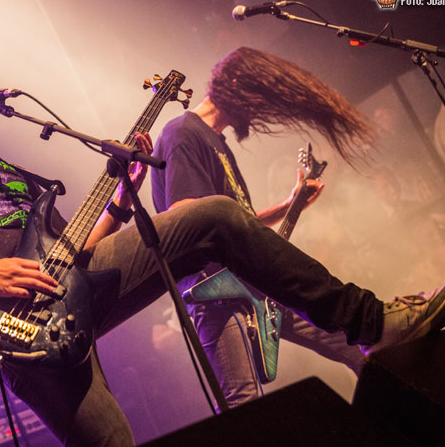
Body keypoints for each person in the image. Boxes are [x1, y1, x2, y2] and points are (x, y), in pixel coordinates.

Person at [0, 37, 445, 446]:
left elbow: (78, 249)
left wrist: (124, 195)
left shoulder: (17, 172)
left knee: (213, 216)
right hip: (12, 323)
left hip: (69, 282)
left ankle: (371, 323)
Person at [151, 47, 374, 407]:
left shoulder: (218, 143)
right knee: (244, 402)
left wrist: (289, 205)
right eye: (258, 100)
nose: (257, 112)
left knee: (353, 344)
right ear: (236, 84)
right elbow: (186, 216)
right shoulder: (182, 134)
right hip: (216, 295)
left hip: (254, 281)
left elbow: (237, 224)